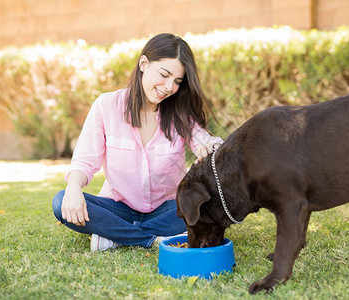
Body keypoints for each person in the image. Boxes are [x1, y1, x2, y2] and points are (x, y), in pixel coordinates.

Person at [52, 33, 223, 251]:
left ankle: (115, 235)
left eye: (177, 81)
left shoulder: (180, 114)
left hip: (168, 209)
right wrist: (73, 188)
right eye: (165, 74)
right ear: (144, 64)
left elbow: (204, 141)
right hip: (118, 207)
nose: (169, 87)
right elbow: (85, 161)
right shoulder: (106, 106)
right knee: (60, 201)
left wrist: (212, 148)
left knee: (209, 204)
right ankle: (152, 239)